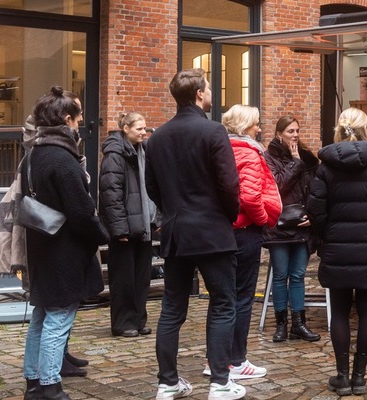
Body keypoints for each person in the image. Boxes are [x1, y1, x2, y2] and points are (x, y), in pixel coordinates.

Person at [146, 68, 245, 400]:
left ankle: (168, 381)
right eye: (209, 88)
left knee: (173, 307)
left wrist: (172, 212)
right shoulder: (213, 131)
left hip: (176, 230)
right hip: (212, 230)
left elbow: (152, 187)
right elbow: (229, 184)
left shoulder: (157, 137)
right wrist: (227, 215)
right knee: (223, 303)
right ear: (200, 94)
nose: (211, 93)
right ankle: (219, 383)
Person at [307, 107, 367, 396]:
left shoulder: (326, 169)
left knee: (339, 311)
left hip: (337, 248)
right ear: (366, 129)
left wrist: (328, 236)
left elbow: (315, 211)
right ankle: (359, 376)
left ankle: (341, 375)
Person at [21, 85, 109, 400]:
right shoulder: (62, 158)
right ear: (68, 119)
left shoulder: (33, 153)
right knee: (57, 319)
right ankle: (49, 386)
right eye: (79, 116)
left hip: (42, 245)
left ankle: (34, 382)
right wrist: (101, 236)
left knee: (42, 315)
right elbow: (82, 212)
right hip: (64, 250)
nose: (81, 121)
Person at [201, 104, 281, 380]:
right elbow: (249, 196)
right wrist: (262, 219)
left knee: (221, 298)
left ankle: (215, 359)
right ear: (245, 126)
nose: (259, 129)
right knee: (242, 297)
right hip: (244, 231)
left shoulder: (217, 149)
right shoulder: (247, 151)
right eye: (256, 124)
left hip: (220, 230)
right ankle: (236, 360)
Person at [262, 115, 321, 343]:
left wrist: (313, 216)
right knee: (280, 276)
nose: (295, 135)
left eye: (297, 130)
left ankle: (299, 324)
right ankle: (281, 325)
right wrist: (294, 162)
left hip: (303, 226)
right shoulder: (269, 157)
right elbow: (277, 186)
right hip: (279, 225)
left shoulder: (307, 158)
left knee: (297, 276)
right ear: (279, 134)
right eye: (290, 131)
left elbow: (316, 190)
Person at [99, 112, 157, 338]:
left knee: (142, 277)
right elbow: (110, 194)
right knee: (123, 279)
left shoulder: (143, 152)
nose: (144, 132)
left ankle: (139, 319)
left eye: (144, 128)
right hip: (125, 227)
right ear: (125, 128)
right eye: (139, 129)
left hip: (143, 223)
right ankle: (123, 323)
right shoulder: (115, 155)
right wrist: (119, 228)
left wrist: (155, 218)